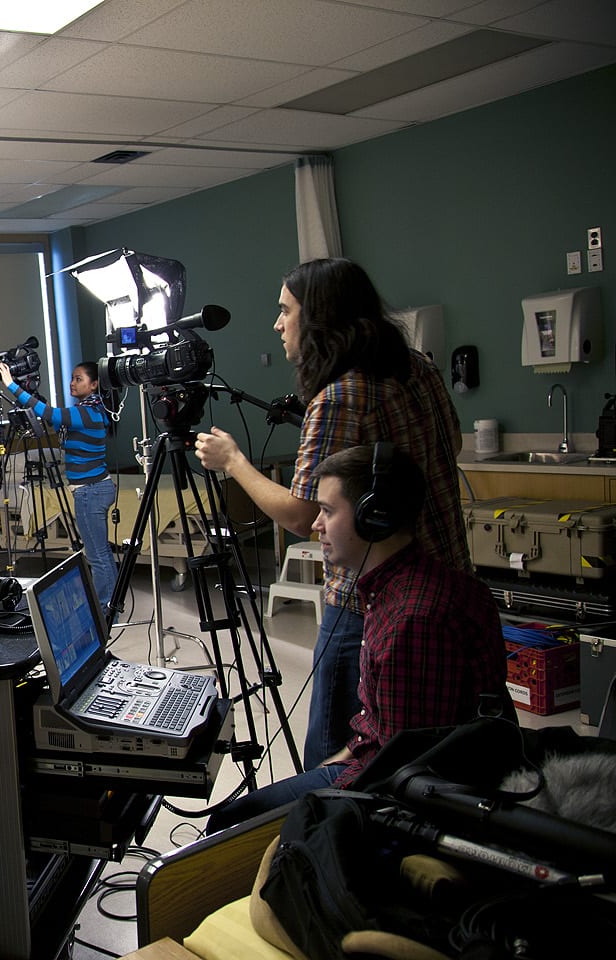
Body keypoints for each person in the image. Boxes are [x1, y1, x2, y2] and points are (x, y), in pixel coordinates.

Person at [193, 259, 468, 767]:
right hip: (446, 583)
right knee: (427, 744)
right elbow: (452, 444)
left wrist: (232, 462)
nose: (277, 324)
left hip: (369, 601)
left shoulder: (340, 398)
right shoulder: (420, 368)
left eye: (286, 310)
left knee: (339, 760)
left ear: (320, 316)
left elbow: (302, 516)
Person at [205, 445, 508, 832]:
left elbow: (402, 775)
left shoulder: (413, 621)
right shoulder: (400, 587)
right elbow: (384, 728)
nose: (316, 524)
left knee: (227, 826)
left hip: (406, 801)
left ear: (373, 517)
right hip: (389, 769)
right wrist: (342, 757)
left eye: (328, 511)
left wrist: (326, 793)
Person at [0, 360, 117, 608]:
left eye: (79, 379)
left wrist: (11, 385)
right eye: (72, 378)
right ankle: (109, 605)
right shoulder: (90, 410)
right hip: (94, 489)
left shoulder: (87, 412)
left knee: (98, 557)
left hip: (90, 491)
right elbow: (53, 418)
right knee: (101, 554)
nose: (72, 383)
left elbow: (51, 414)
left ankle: (106, 609)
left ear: (94, 385)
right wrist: (30, 395)